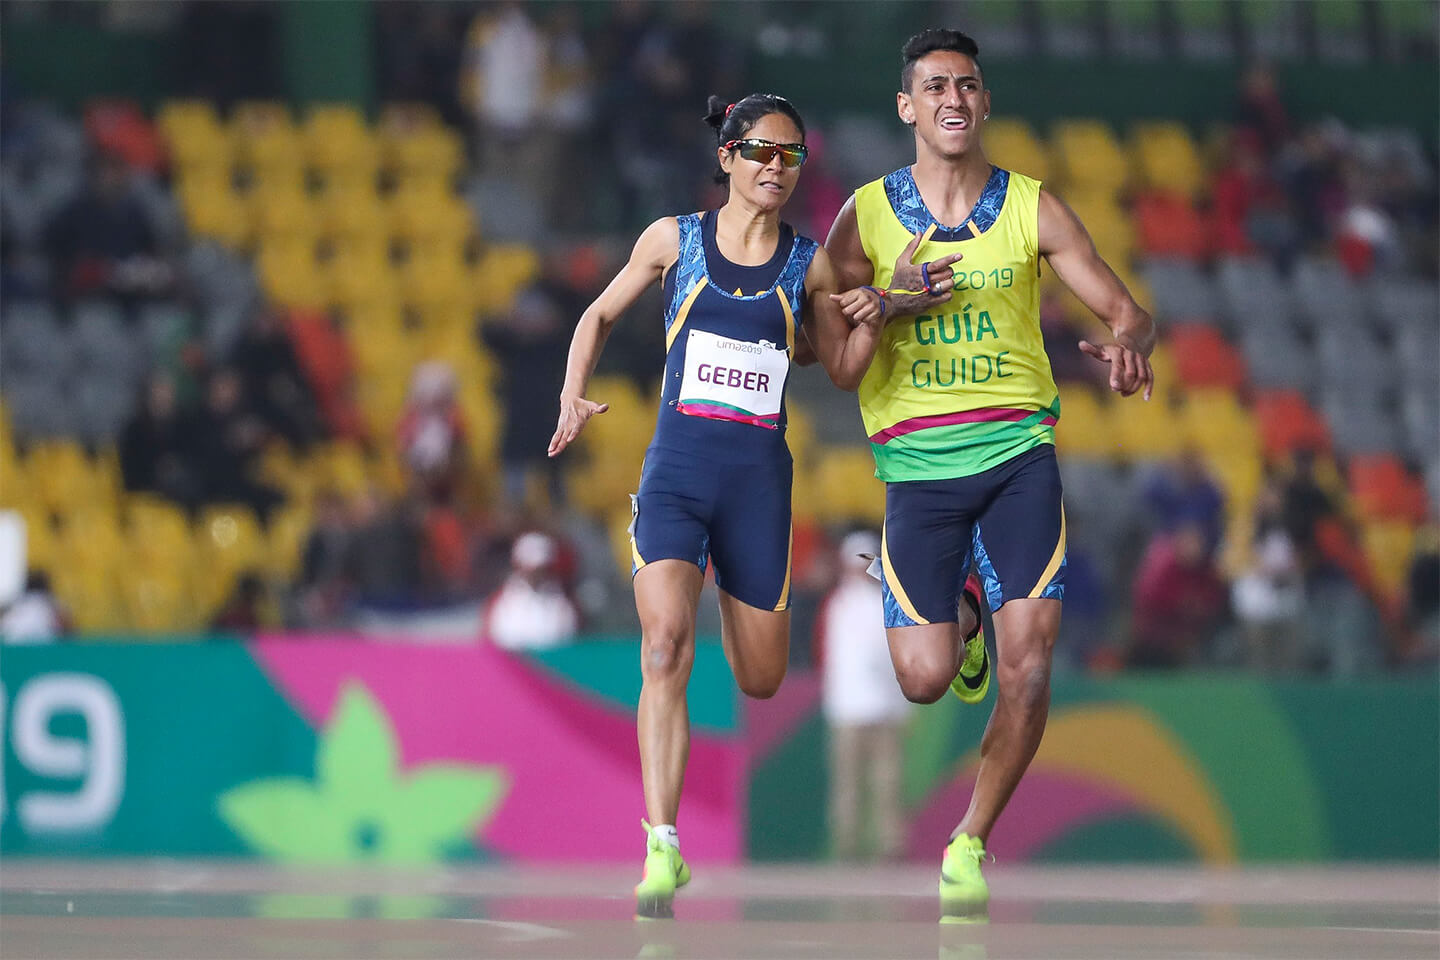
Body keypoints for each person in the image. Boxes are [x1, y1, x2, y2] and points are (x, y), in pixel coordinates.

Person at [823, 29, 1156, 919]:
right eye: (935, 86)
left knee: (1031, 670)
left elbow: (1129, 311)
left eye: (967, 85)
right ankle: (964, 614)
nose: (954, 99)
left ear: (985, 102)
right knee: (924, 679)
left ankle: (969, 839)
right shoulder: (865, 216)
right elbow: (833, 355)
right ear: (907, 106)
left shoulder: (1032, 208)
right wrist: (886, 301)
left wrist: (1131, 343)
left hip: (1018, 457)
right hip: (918, 470)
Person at [549, 92, 890, 919]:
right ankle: (662, 844)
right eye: (762, 151)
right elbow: (598, 312)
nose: (777, 167)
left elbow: (841, 370)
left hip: (757, 489)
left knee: (761, 678)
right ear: (728, 157)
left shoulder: (809, 263)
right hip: (676, 476)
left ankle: (673, 819)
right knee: (664, 647)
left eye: (791, 155)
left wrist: (880, 312)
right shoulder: (674, 240)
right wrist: (572, 393)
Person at [817, 531, 910, 862]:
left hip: (885, 708)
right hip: (847, 709)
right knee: (848, 785)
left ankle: (890, 845)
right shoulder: (836, 605)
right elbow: (828, 657)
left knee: (888, 784)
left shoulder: (885, 604)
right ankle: (848, 846)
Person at [481, 531, 579, 650]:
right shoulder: (499, 601)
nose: (534, 571)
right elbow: (488, 643)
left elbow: (569, 644)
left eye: (540, 566)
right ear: (517, 563)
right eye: (529, 565)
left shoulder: (562, 604)